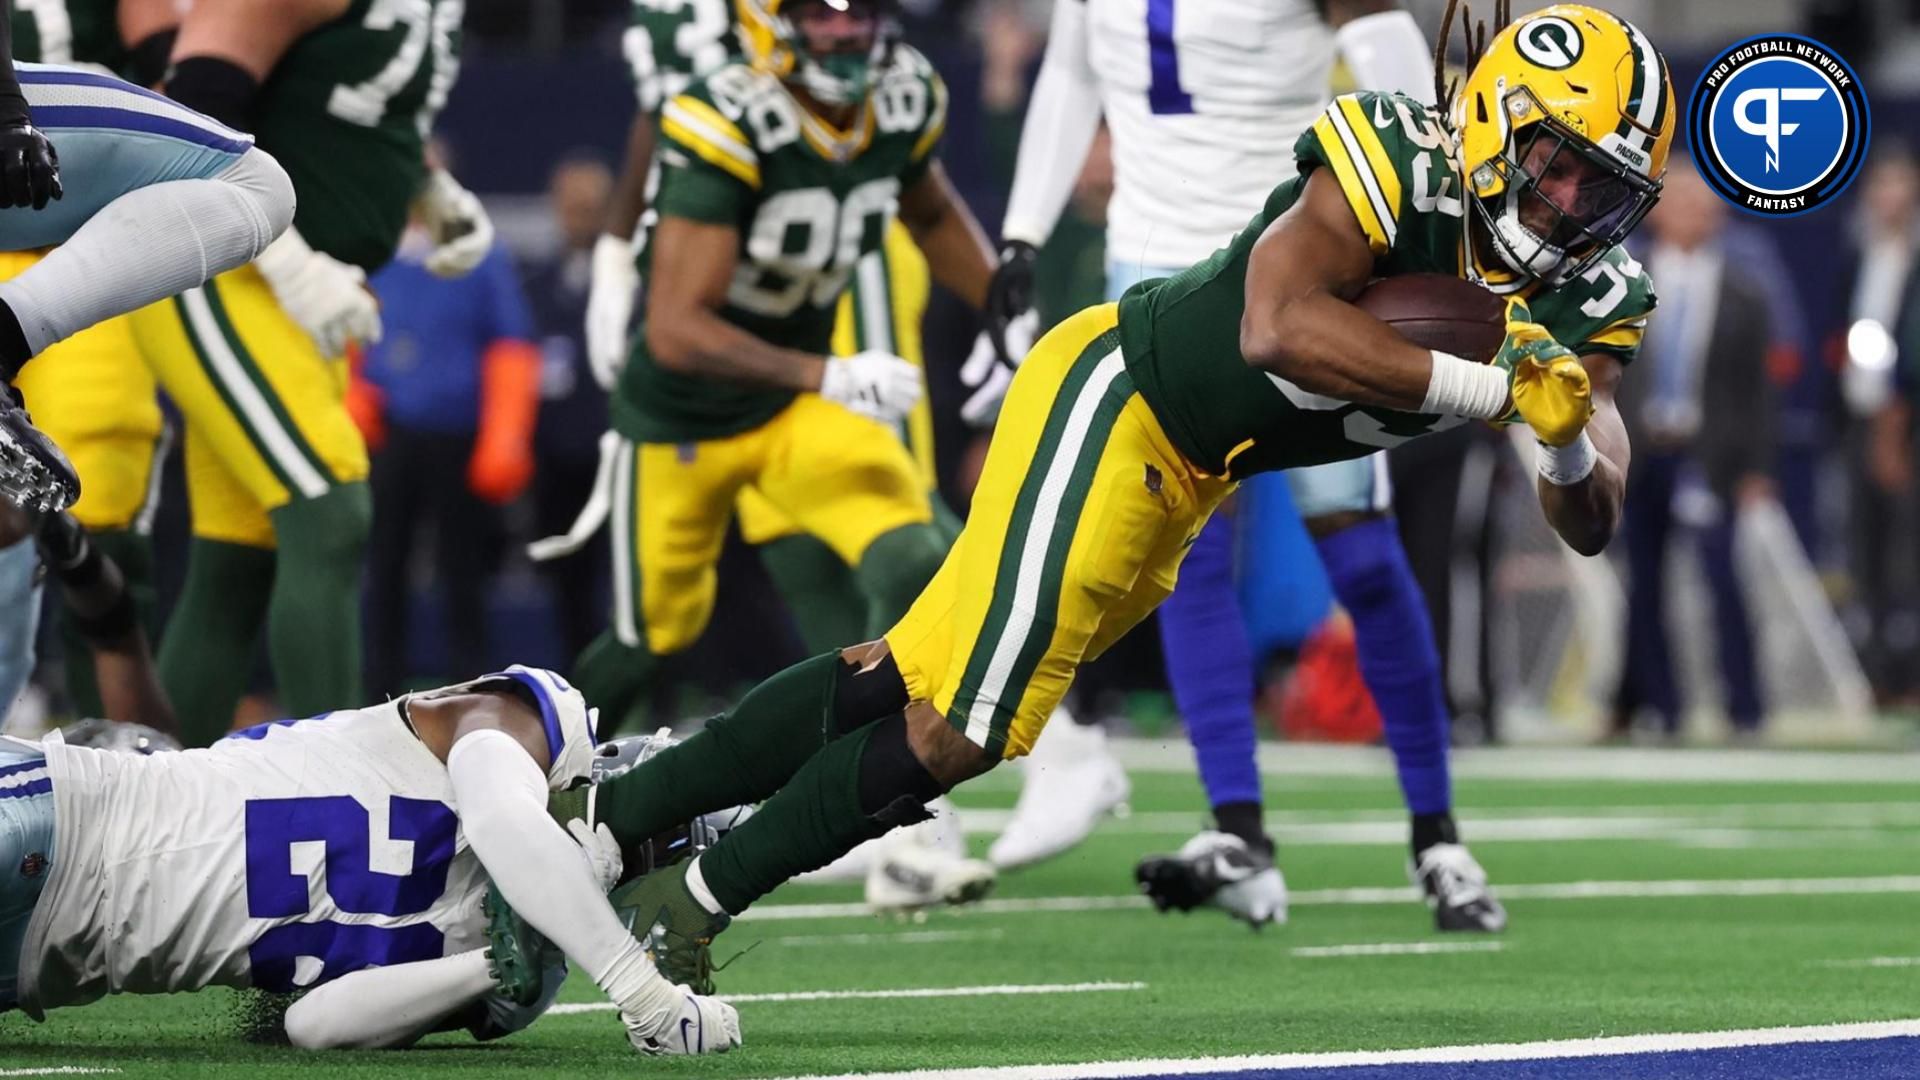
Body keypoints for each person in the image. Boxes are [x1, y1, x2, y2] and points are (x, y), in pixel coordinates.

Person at [514, 2, 1670, 991]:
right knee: (975, 725)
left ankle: (617, 823)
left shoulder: (1597, 294)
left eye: (1602, 187)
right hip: (1120, 395)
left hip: (1193, 471)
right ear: (1491, 124)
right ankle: (692, 898)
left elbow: (1594, 508)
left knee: (910, 675)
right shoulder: (1396, 156)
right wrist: (1492, 391)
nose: (1569, 202)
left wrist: (1564, 448)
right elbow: (1277, 326)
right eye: (1555, 160)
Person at [990, 0, 1501, 931]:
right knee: (1187, 555)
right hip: (1149, 273)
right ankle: (1239, 833)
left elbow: (1382, 46)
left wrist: (1440, 203)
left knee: (1358, 550)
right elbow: (1073, 72)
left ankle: (1437, 834)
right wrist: (1022, 232)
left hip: (1298, 269)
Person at [545, 0, 1004, 913]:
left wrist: (1007, 304)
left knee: (918, 553)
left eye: (860, 14)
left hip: (792, 406)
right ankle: (524, 780)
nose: (843, 33)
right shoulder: (725, 113)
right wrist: (828, 370)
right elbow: (675, 330)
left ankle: (871, 800)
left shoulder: (903, 96)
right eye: (821, 16)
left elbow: (929, 204)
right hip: (685, 419)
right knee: (651, 639)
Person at [0, 648, 740, 1054]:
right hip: (64, 816)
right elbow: (501, 818)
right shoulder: (539, 722)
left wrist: (492, 961)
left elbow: (315, 1027)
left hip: (54, 964)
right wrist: (638, 991)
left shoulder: (524, 979)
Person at [121, 0, 492, 742]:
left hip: (293, 295)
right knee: (328, 510)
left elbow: (339, 104)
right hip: (219, 266)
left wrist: (421, 184)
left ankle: (161, 787)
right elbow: (182, 124)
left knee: (237, 558)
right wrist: (288, 261)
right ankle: (348, 783)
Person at [1606, 162, 1773, 739]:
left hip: (1708, 457)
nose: (1691, 215)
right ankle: (1662, 707)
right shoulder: (1622, 282)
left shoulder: (1744, 291)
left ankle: (1745, 708)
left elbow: (1758, 391)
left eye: (1701, 205)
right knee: (1644, 584)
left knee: (1722, 581)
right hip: (1643, 452)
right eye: (1678, 203)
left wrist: (1755, 467)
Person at [360, 219, 541, 699]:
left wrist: (505, 434)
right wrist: (352, 399)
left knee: (462, 567)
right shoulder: (375, 251)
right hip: (390, 430)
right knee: (384, 565)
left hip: (458, 432)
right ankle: (380, 689)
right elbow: (345, 332)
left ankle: (470, 686)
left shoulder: (481, 255)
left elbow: (511, 340)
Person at [525, 156, 617, 662]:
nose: (581, 215)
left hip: (618, 452)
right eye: (572, 205)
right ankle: (573, 683)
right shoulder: (534, 284)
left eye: (591, 206)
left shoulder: (635, 283)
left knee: (630, 581)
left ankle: (658, 695)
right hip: (556, 452)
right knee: (567, 577)